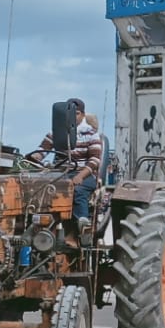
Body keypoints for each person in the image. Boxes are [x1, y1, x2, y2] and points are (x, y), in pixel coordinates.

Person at [29, 98, 103, 232]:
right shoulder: (56, 133)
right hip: (59, 173)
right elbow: (41, 151)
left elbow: (94, 160)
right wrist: (34, 157)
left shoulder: (91, 134)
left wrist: (80, 176)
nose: (73, 117)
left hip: (83, 173)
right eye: (70, 114)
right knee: (35, 189)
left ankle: (82, 227)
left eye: (77, 113)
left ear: (83, 115)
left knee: (78, 190)